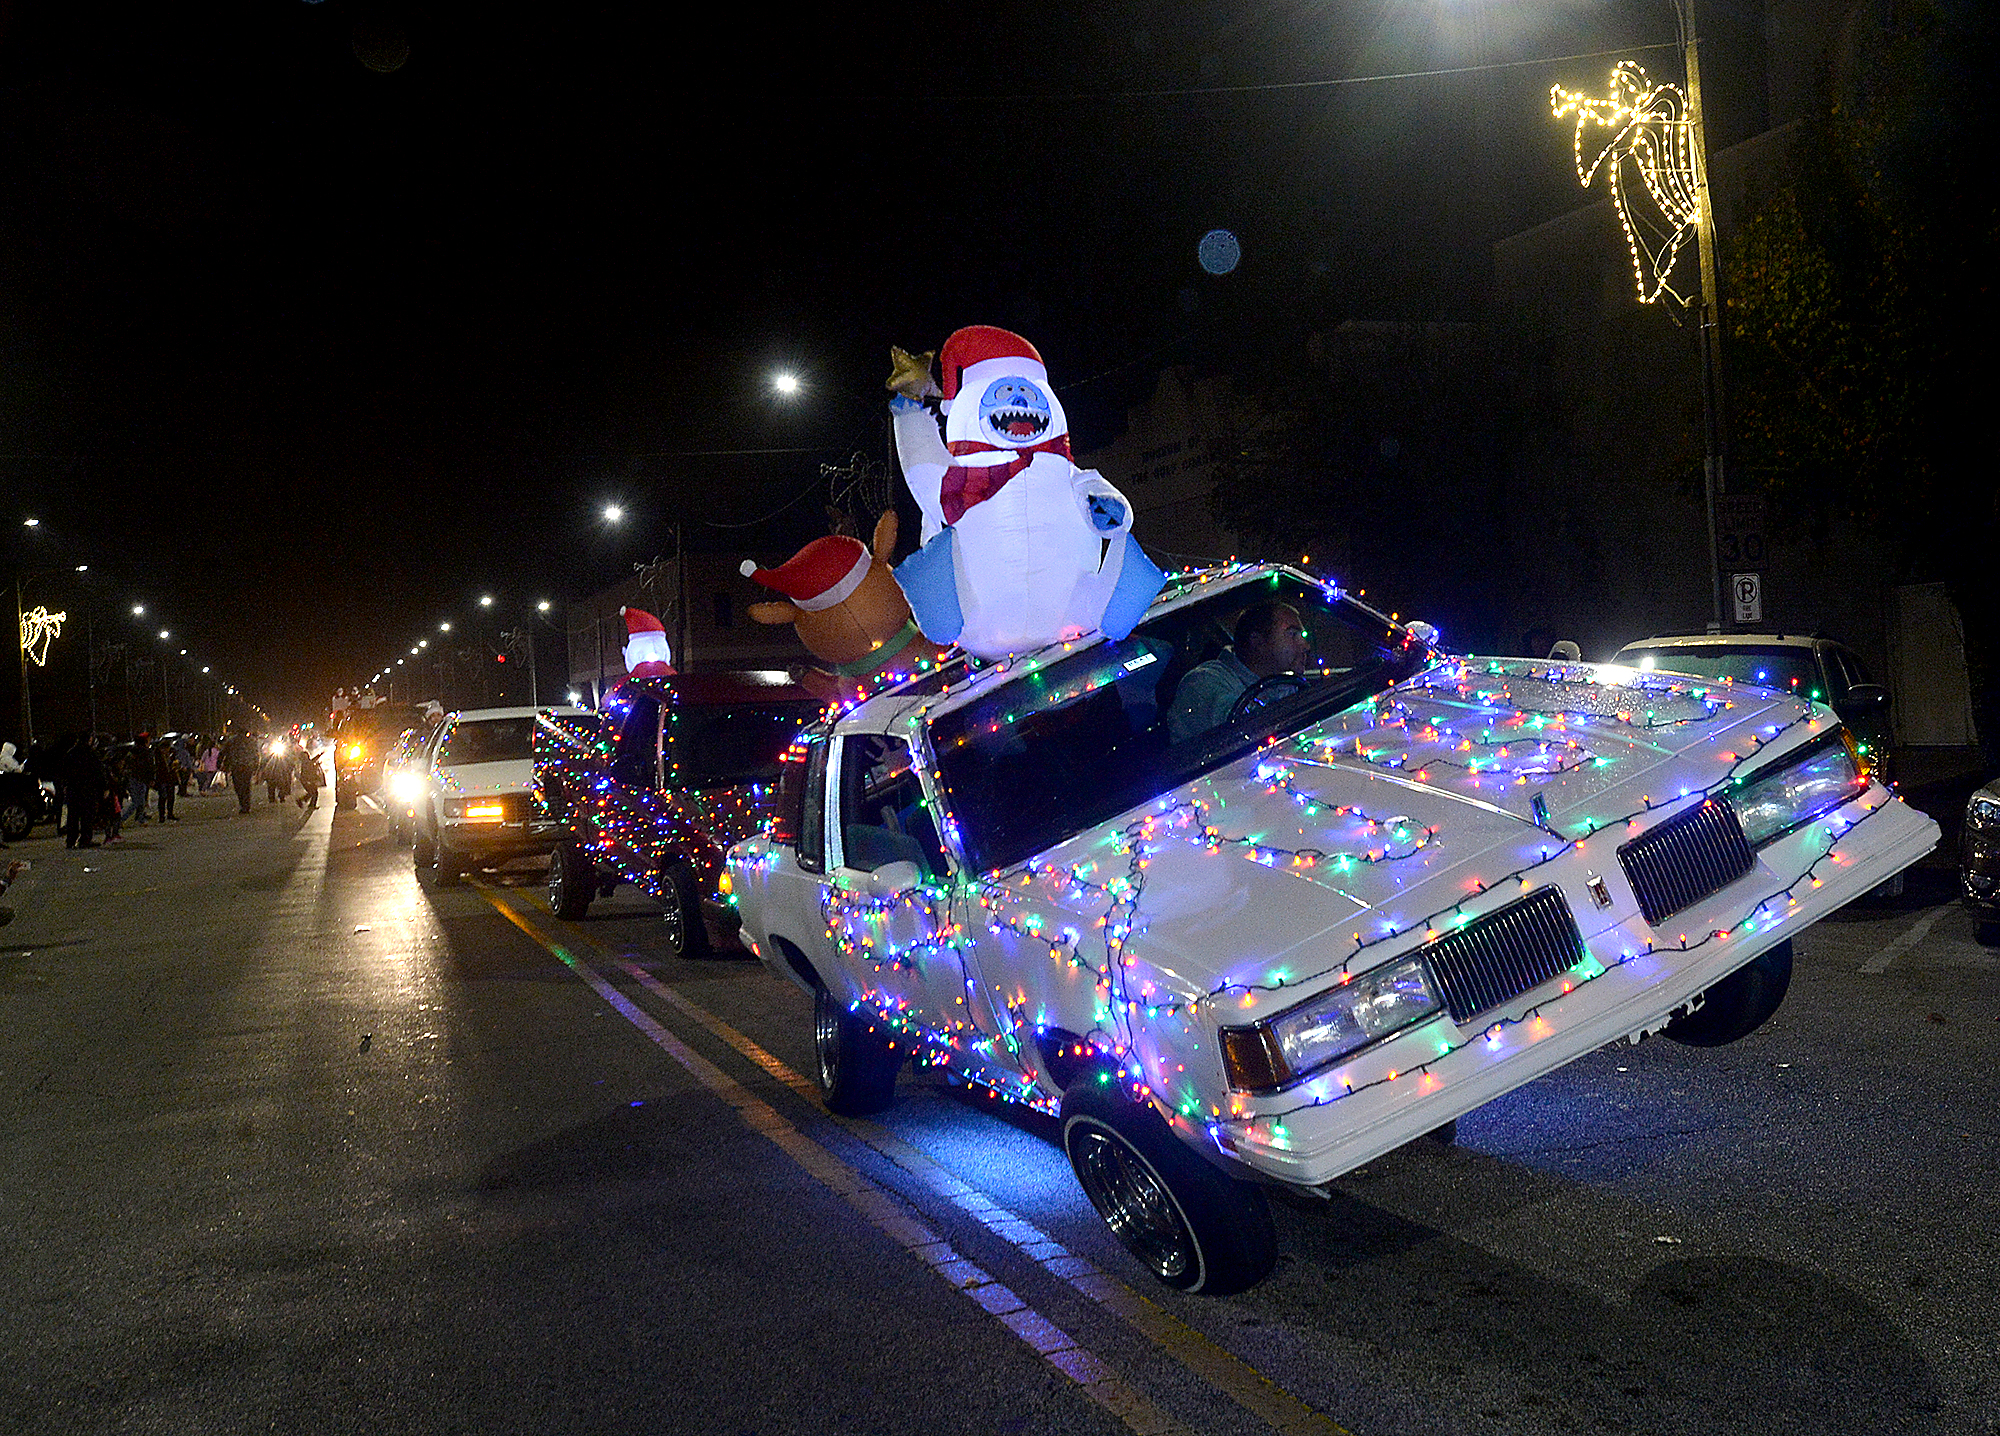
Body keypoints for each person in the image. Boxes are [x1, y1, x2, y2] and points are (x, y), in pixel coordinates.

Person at [1167, 601, 1313, 744]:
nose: (1305, 646)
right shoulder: (1203, 683)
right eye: (1292, 635)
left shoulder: (1288, 683)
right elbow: (1243, 732)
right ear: (1258, 643)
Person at [60, 735, 106, 849]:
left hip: (73, 789)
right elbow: (98, 771)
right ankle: (85, 840)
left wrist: (65, 785)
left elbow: (64, 771)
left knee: (73, 817)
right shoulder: (90, 753)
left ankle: (71, 840)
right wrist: (103, 787)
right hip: (87, 789)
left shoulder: (71, 753)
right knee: (87, 816)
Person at [222, 724, 259, 814]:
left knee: (238, 786)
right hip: (247, 767)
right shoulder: (251, 741)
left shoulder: (231, 741)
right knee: (246, 786)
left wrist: (221, 764)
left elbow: (223, 752)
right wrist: (256, 767)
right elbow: (256, 755)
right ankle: (246, 805)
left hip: (236, 767)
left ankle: (242, 803)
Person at [295, 741, 323, 811]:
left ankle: (306, 802)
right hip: (307, 780)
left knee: (312, 792)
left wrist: (319, 755)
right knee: (314, 792)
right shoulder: (306, 763)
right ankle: (305, 802)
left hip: (307, 780)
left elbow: (312, 761)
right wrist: (317, 764)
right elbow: (311, 767)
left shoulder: (306, 762)